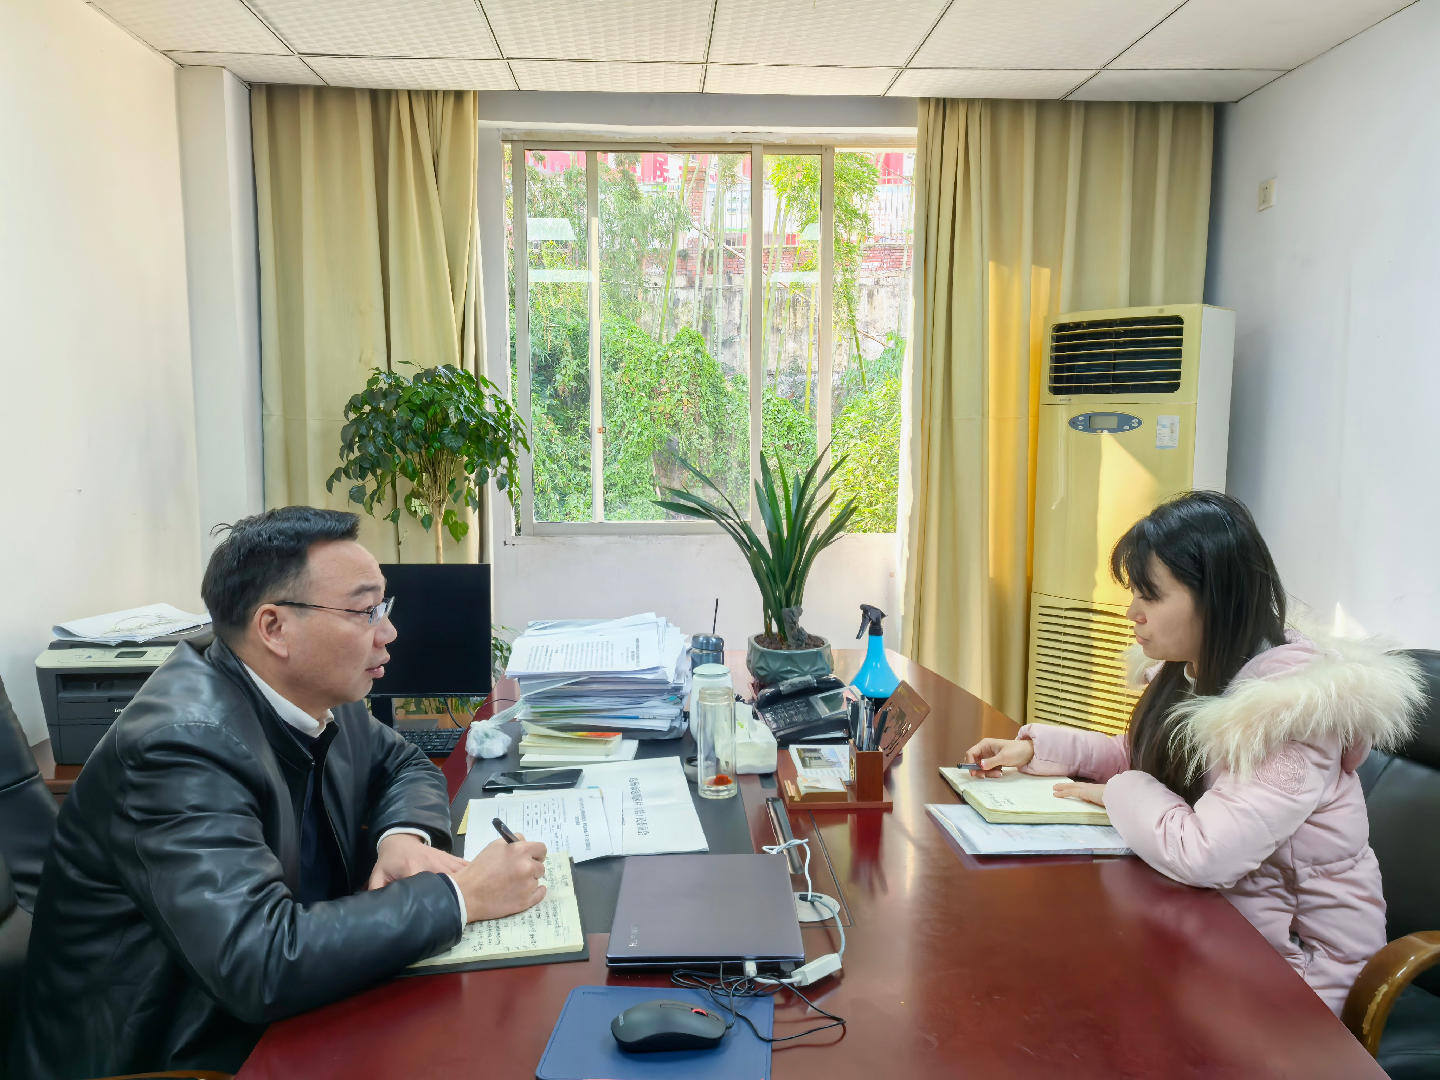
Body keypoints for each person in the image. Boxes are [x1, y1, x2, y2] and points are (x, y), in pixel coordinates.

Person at [11, 507, 548, 1079]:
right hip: (176, 1055)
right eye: (365, 611)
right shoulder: (180, 748)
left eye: (383, 607)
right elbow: (257, 960)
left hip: (284, 1014)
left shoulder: (317, 694)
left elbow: (405, 763)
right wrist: (460, 897)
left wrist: (402, 837)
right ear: (274, 628)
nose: (388, 632)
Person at [965, 491, 1424, 1015]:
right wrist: (1035, 748)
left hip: (1301, 978)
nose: (1133, 614)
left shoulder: (1286, 718)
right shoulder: (1203, 668)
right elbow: (1141, 756)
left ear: (1216, 598)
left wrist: (1117, 790)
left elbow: (1205, 854)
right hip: (1221, 930)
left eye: (1150, 596)